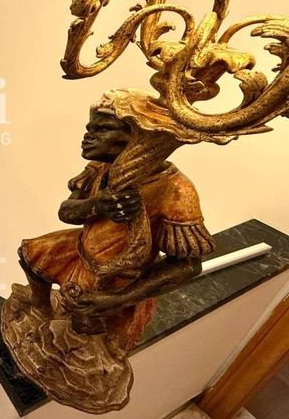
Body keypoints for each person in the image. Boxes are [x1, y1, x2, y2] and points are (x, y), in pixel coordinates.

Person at [18, 103, 215, 348]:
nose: (87, 137)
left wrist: (119, 298)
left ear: (137, 139)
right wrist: (97, 206)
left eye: (101, 130)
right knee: (30, 255)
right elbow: (66, 212)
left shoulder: (176, 189)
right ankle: (40, 308)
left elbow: (188, 266)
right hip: (80, 250)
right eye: (90, 128)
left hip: (120, 275)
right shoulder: (101, 167)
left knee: (86, 331)